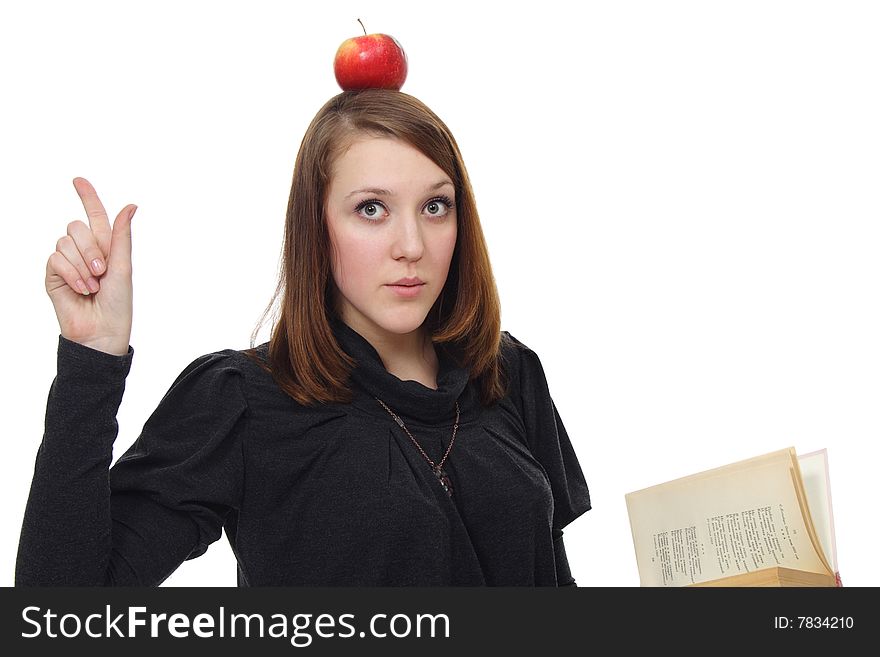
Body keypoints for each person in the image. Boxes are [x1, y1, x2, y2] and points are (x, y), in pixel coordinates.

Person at [15, 89, 591, 586]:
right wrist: (92, 359)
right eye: (372, 209)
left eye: (435, 206)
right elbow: (62, 612)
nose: (412, 244)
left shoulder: (508, 373)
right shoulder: (241, 401)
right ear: (315, 227)